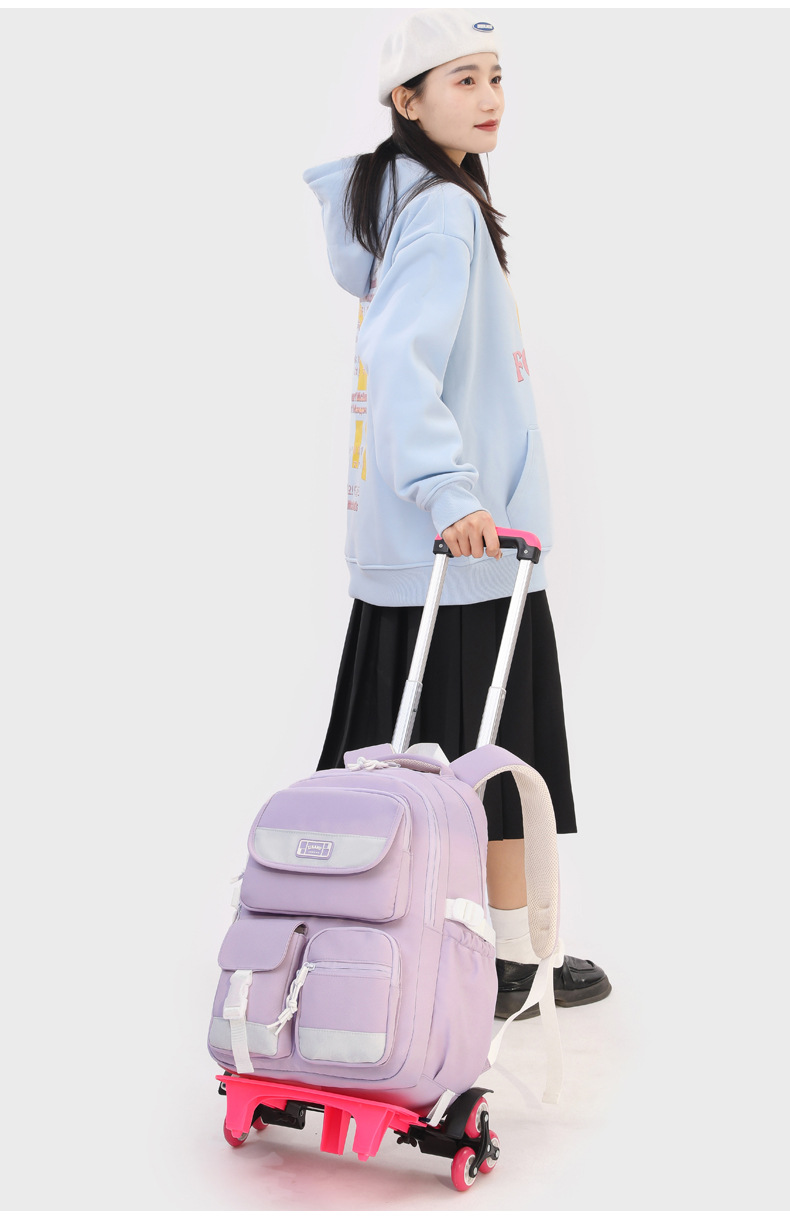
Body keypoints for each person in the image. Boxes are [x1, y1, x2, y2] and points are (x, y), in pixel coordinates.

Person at [303, 9, 611, 1020]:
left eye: (495, 77)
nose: (489, 99)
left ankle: (369, 950)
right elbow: (401, 364)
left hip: (411, 551)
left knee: (401, 769)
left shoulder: (405, 204)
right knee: (499, 767)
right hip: (468, 548)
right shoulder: (441, 212)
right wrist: (452, 490)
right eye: (463, 80)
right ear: (407, 99)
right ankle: (514, 963)